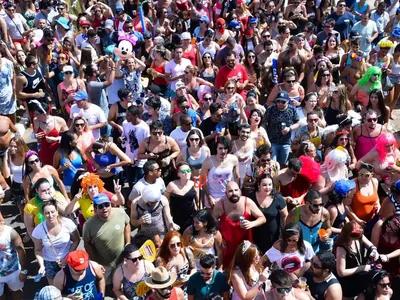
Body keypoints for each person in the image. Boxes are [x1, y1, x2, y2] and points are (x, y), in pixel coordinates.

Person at [213, 181, 266, 268]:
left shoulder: (247, 202)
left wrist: (251, 223)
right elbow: (212, 223)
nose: (234, 193)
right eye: (230, 191)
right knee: (228, 274)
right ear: (225, 193)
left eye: (236, 190)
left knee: (247, 271)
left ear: (240, 191)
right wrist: (219, 237)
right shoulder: (220, 204)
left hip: (246, 246)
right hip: (228, 248)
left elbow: (262, 218)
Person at [83, 193, 131, 286]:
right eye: (100, 206)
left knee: (120, 282)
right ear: (95, 209)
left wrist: (128, 242)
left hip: (121, 259)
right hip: (104, 263)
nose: (104, 208)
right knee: (105, 283)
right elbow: (87, 243)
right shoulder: (89, 225)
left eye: (106, 205)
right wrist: (95, 261)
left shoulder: (120, 213)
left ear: (110, 205)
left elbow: (127, 224)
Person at [32, 199, 80, 285]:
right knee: (54, 285)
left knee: (71, 283)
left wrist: (67, 258)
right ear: (43, 214)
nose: (50, 215)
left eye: (52, 212)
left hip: (68, 258)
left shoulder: (67, 223)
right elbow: (38, 250)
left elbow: (76, 240)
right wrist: (42, 265)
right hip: (49, 261)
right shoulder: (38, 230)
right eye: (47, 213)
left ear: (57, 212)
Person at [334, 221, 379, 299]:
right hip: (348, 282)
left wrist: (374, 251)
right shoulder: (341, 248)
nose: (359, 238)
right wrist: (362, 268)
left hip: (359, 277)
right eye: (356, 237)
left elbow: (371, 246)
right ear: (348, 235)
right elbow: (341, 272)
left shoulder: (359, 236)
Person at [250, 174, 288, 254]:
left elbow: (285, 216)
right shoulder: (251, 197)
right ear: (258, 185)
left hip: (274, 238)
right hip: (255, 237)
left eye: (270, 185)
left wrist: (284, 234)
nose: (267, 188)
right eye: (264, 185)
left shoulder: (278, 198)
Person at [201, 136, 240, 209]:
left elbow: (237, 177)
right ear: (216, 148)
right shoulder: (208, 162)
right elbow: (202, 181)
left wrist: (236, 193)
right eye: (220, 148)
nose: (223, 151)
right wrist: (209, 197)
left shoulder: (233, 159)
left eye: (225, 148)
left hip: (228, 196)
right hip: (212, 197)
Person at [262, 91, 300, 166]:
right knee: (272, 163)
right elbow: (264, 123)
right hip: (272, 141)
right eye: (278, 101)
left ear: (287, 101)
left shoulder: (292, 110)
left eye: (283, 102)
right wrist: (264, 135)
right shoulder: (271, 109)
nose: (280, 103)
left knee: (282, 164)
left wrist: (290, 128)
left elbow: (297, 123)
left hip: (285, 142)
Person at [165, 162, 199, 233]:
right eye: (183, 171)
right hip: (176, 218)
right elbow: (165, 202)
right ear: (178, 174)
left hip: (190, 218)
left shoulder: (194, 184)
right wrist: (169, 218)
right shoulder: (172, 185)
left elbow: (197, 202)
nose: (186, 173)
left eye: (188, 171)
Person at [0, 211, 27, 300]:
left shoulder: (10, 232)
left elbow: (21, 250)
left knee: (17, 292)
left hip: (13, 271)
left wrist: (23, 271)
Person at [122, 105, 150, 188]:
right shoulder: (126, 124)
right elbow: (124, 136)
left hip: (140, 161)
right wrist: (121, 139)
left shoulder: (144, 127)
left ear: (136, 116)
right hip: (128, 157)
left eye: (129, 115)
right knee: (131, 181)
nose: (126, 117)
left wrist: (137, 158)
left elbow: (147, 145)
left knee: (141, 182)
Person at [2, 136, 29, 222]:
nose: (12, 148)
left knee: (31, 208)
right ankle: (28, 230)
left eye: (15, 146)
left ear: (21, 146)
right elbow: (6, 175)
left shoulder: (27, 155)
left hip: (28, 185)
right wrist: (5, 159)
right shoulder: (10, 157)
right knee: (22, 210)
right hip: (16, 186)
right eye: (11, 146)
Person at [33, 101, 68, 166]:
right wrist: (35, 136)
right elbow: (38, 139)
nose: (34, 115)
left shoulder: (59, 121)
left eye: (36, 114)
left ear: (44, 114)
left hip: (57, 153)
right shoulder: (36, 121)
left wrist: (55, 139)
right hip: (44, 153)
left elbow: (69, 137)